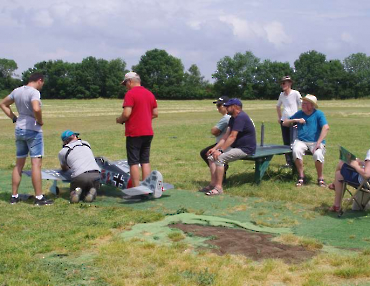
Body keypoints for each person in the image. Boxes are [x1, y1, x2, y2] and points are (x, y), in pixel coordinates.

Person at [0, 73, 53, 205]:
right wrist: (39, 120)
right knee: (36, 163)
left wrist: (13, 118)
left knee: (19, 164)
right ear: (40, 80)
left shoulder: (17, 91)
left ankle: (14, 196)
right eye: (43, 83)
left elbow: (3, 104)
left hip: (19, 128)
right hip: (33, 130)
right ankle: (39, 198)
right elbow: (36, 108)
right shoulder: (34, 93)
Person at [201, 98, 256, 196]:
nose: (225, 108)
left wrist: (220, 151)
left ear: (235, 107)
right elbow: (225, 136)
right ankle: (213, 184)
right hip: (236, 147)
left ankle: (219, 188)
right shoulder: (232, 118)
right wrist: (215, 149)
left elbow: (232, 137)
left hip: (245, 148)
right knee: (210, 156)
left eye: (228, 106)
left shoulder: (241, 117)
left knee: (219, 158)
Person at [116, 72, 158, 187]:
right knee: (145, 160)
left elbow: (126, 113)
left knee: (133, 162)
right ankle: (147, 186)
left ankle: (136, 188)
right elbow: (155, 113)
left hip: (134, 132)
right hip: (148, 132)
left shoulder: (130, 94)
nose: (126, 86)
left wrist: (119, 120)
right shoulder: (150, 94)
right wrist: (143, 117)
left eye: (125, 84)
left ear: (130, 81)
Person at [283, 94, 329, 187]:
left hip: (316, 142)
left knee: (318, 154)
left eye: (305, 103)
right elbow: (285, 123)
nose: (302, 105)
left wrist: (319, 143)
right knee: (296, 151)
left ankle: (320, 178)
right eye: (302, 103)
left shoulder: (319, 114)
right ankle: (301, 176)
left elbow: (326, 127)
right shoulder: (300, 113)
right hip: (301, 141)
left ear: (311, 105)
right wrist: (296, 120)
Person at [58, 130, 101, 203]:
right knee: (90, 185)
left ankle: (75, 193)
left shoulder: (62, 152)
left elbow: (64, 168)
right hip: (96, 173)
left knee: (78, 186)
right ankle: (91, 192)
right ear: (75, 137)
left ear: (64, 141)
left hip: (80, 175)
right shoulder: (86, 143)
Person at [199, 96, 231, 186]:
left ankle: (219, 176)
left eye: (219, 106)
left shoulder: (226, 117)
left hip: (225, 144)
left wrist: (216, 131)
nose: (218, 109)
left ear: (225, 106)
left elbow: (214, 131)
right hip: (228, 143)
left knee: (206, 153)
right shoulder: (231, 116)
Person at [276, 76, 302, 166]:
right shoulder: (281, 95)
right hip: (284, 121)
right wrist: (280, 118)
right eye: (281, 83)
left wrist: (299, 118)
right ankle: (288, 162)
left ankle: (295, 161)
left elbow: (302, 105)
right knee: (286, 142)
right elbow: (278, 106)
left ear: (290, 83)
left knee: (293, 142)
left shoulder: (295, 93)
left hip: (293, 121)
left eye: (284, 83)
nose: (282, 85)